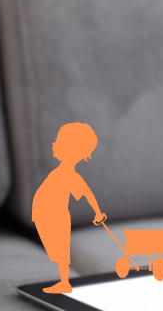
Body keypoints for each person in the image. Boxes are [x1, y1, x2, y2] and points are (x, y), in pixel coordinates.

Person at [32, 122, 106, 294]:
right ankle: (64, 281)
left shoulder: (70, 175)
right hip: (47, 217)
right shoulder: (60, 172)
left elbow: (88, 194)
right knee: (57, 251)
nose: (53, 144)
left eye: (58, 142)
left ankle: (64, 283)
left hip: (57, 218)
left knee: (60, 252)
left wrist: (98, 213)